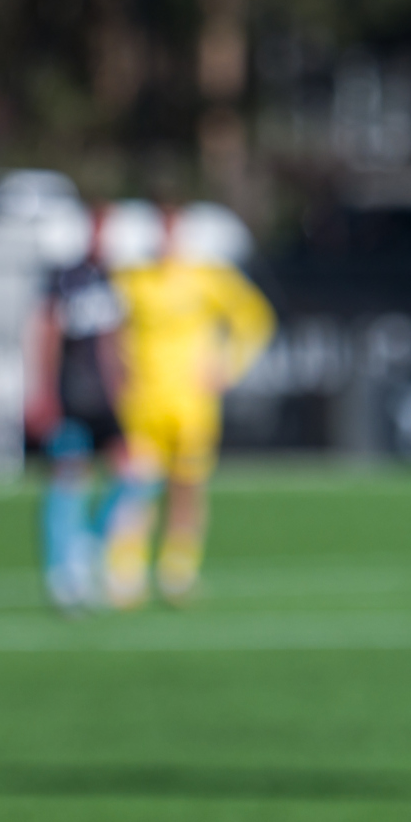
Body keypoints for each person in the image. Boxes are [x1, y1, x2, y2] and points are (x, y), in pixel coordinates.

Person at [110, 198, 273, 605]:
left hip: (192, 406)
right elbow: (110, 330)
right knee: (137, 487)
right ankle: (126, 571)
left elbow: (255, 318)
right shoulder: (133, 279)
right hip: (143, 405)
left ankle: (177, 570)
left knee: (187, 487)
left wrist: (228, 365)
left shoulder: (207, 278)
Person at [27, 204, 151, 610]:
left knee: (137, 475)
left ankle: (88, 545)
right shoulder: (64, 279)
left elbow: (117, 342)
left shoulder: (116, 280)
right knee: (69, 479)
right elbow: (47, 334)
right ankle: (63, 573)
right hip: (71, 396)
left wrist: (127, 387)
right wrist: (44, 392)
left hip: (106, 400)